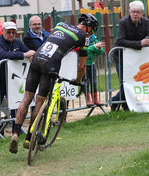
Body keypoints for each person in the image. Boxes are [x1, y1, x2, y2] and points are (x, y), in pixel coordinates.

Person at [9, 13, 99, 154]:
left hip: (37, 58)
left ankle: (15, 133)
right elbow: (82, 66)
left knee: (26, 98)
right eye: (92, 31)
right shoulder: (84, 38)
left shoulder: (60, 25)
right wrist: (77, 80)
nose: (91, 34)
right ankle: (28, 138)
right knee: (40, 101)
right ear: (89, 28)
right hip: (51, 65)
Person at [0, 21, 35, 137]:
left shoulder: (17, 42)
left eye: (13, 32)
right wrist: (24, 55)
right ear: (3, 32)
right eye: (8, 32)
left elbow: (26, 51)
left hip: (13, 81)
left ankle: (17, 130)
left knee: (15, 105)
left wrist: (30, 54)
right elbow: (2, 55)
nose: (11, 34)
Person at [111, 0, 149, 111]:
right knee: (124, 82)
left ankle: (121, 102)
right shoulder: (123, 22)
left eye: (138, 12)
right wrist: (139, 43)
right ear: (130, 12)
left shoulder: (145, 22)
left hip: (136, 58)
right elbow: (120, 41)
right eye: (133, 11)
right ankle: (119, 102)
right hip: (120, 56)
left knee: (133, 81)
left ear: (142, 13)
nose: (135, 14)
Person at [84, 33, 105, 106]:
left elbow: (99, 53)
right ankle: (88, 100)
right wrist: (95, 46)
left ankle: (95, 99)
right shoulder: (81, 38)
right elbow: (86, 50)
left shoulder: (94, 39)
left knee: (94, 82)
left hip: (92, 64)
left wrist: (100, 48)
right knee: (85, 82)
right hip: (83, 64)